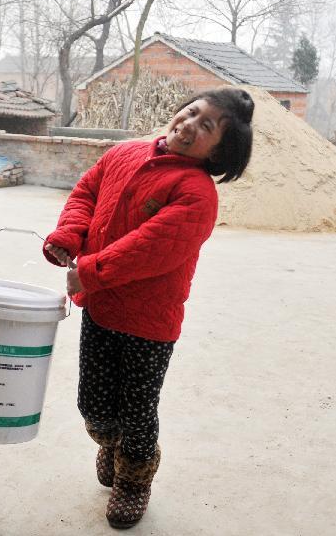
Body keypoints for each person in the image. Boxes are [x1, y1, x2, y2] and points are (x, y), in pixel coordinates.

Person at [43, 88, 254, 529]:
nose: (191, 123)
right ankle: (110, 443)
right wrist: (68, 236)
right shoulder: (124, 153)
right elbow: (86, 192)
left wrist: (92, 270)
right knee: (95, 406)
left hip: (149, 324)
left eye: (208, 126)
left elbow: (151, 249)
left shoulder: (197, 194)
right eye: (192, 111)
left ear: (219, 152)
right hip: (101, 309)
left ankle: (135, 479)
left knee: (138, 411)